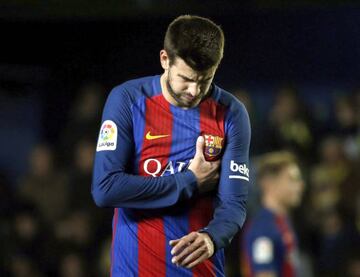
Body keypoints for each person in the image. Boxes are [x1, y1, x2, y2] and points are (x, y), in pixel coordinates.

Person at [92, 15, 251, 276]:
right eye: (186, 78)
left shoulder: (231, 113)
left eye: (205, 80)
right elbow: (105, 188)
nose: (194, 90)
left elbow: (234, 204)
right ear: (165, 59)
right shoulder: (128, 99)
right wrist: (188, 181)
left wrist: (212, 238)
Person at [242, 151, 304, 277]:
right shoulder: (263, 228)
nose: (300, 185)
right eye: (292, 179)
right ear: (269, 183)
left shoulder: (282, 220)